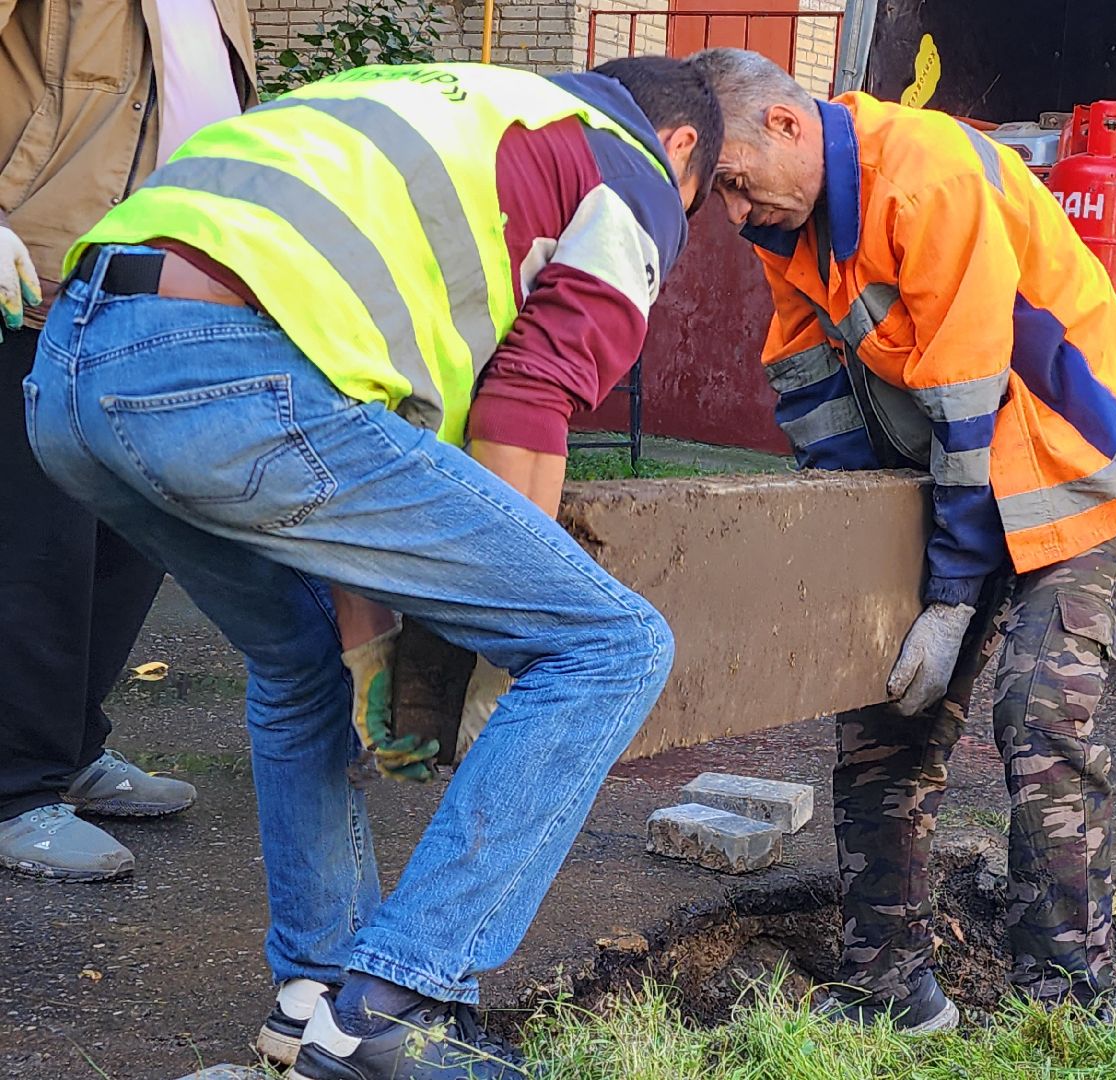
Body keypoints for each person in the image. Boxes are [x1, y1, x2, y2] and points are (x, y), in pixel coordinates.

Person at [24, 56, 721, 1080]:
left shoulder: (454, 111)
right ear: (685, 146)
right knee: (610, 644)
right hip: (229, 369)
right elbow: (530, 399)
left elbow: (357, 473)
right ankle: (403, 1004)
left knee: (297, 656)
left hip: (73, 376)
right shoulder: (631, 166)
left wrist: (377, 671)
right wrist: (497, 640)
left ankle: (317, 1001)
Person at [689, 47, 1116, 1029]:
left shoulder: (929, 174)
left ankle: (1064, 1004)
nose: (733, 214)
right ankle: (888, 992)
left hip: (1073, 467)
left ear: (787, 125)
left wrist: (952, 601)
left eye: (736, 184)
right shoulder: (791, 223)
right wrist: (852, 544)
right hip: (960, 473)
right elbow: (806, 380)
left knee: (1037, 717)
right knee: (884, 718)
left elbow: (964, 401)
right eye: (719, 198)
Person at [0, 0, 256, 882]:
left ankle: (69, 748)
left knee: (135, 534)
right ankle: (13, 785)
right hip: (38, 271)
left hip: (165, 290)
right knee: (38, 544)